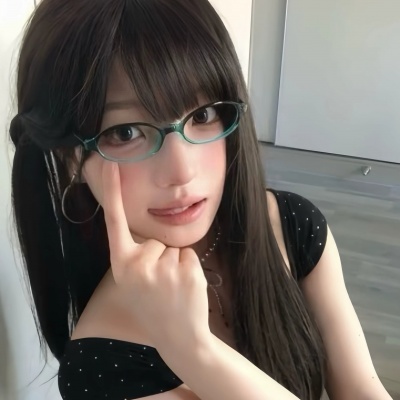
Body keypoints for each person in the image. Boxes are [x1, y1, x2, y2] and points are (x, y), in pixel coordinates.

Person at [9, 0, 392, 399]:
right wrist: (194, 351)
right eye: (125, 133)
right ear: (71, 157)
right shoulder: (103, 370)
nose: (182, 172)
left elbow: (362, 388)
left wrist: (195, 350)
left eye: (203, 115)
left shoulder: (293, 225)